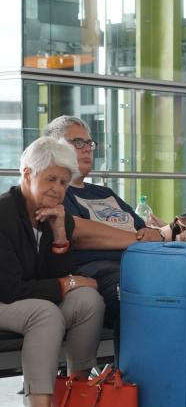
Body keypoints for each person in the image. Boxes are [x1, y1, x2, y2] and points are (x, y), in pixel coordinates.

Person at [0, 137, 105, 407]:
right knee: (46, 313)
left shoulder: (56, 216)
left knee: (88, 299)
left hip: (26, 298)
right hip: (6, 297)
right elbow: (11, 289)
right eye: (50, 179)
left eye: (63, 182)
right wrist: (66, 282)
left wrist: (60, 236)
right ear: (27, 173)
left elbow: (54, 277)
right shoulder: (2, 213)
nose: (58, 189)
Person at [43, 116, 162, 332]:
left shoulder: (105, 193)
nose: (87, 149)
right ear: (53, 148)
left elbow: (142, 228)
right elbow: (77, 231)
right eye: (77, 142)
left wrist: (154, 236)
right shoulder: (56, 193)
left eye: (89, 143)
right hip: (98, 271)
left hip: (140, 262)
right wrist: (139, 240)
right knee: (143, 294)